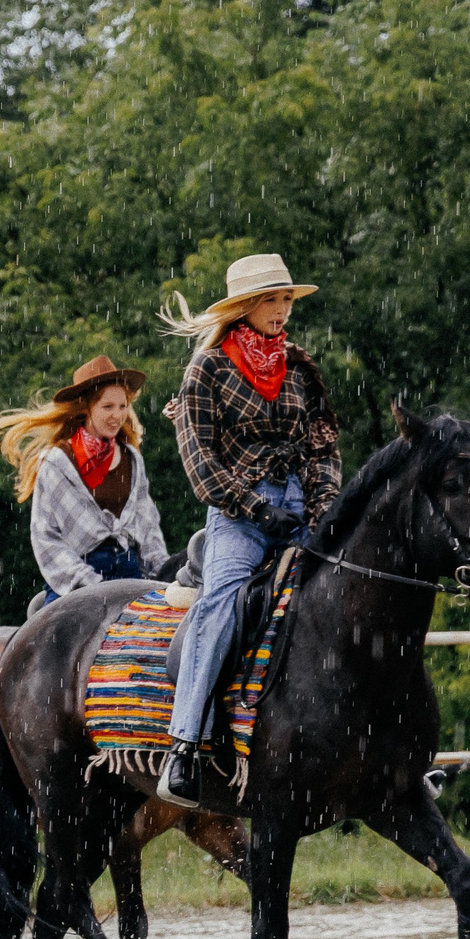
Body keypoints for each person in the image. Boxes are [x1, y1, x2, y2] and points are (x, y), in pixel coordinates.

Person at [155, 254, 342, 809]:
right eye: (271, 300)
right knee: (220, 604)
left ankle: (378, 751)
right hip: (238, 513)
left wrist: (323, 505)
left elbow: (323, 447)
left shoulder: (302, 368)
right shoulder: (207, 370)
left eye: (287, 300)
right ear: (245, 307)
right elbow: (199, 462)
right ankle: (184, 747)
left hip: (302, 506)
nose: (282, 311)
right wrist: (256, 510)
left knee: (349, 596)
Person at [0, 353, 170, 607]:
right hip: (74, 582)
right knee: (52, 643)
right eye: (108, 407)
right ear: (86, 408)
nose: (117, 415)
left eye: (122, 406)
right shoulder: (56, 462)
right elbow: (45, 537)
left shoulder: (132, 458)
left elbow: (148, 528)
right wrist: (89, 583)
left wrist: (165, 575)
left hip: (131, 575)